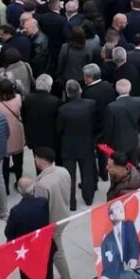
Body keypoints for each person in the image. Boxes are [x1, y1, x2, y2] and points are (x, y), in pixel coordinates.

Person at [4, 177, 56, 279]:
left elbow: (9, 233)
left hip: (26, 252)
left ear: (19, 191)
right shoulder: (43, 203)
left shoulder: (16, 211)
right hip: (44, 247)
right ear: (33, 189)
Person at [33, 147, 73, 279]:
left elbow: (39, 210)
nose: (35, 160)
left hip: (52, 222)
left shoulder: (42, 185)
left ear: (41, 160)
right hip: (64, 214)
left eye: (36, 158)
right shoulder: (63, 171)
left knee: (57, 251)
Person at [57, 80, 97, 209]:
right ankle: (88, 198)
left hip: (69, 146)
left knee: (70, 176)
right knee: (87, 173)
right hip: (86, 144)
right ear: (80, 90)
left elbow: (59, 128)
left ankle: (72, 203)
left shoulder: (63, 109)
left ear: (67, 93)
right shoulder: (91, 104)